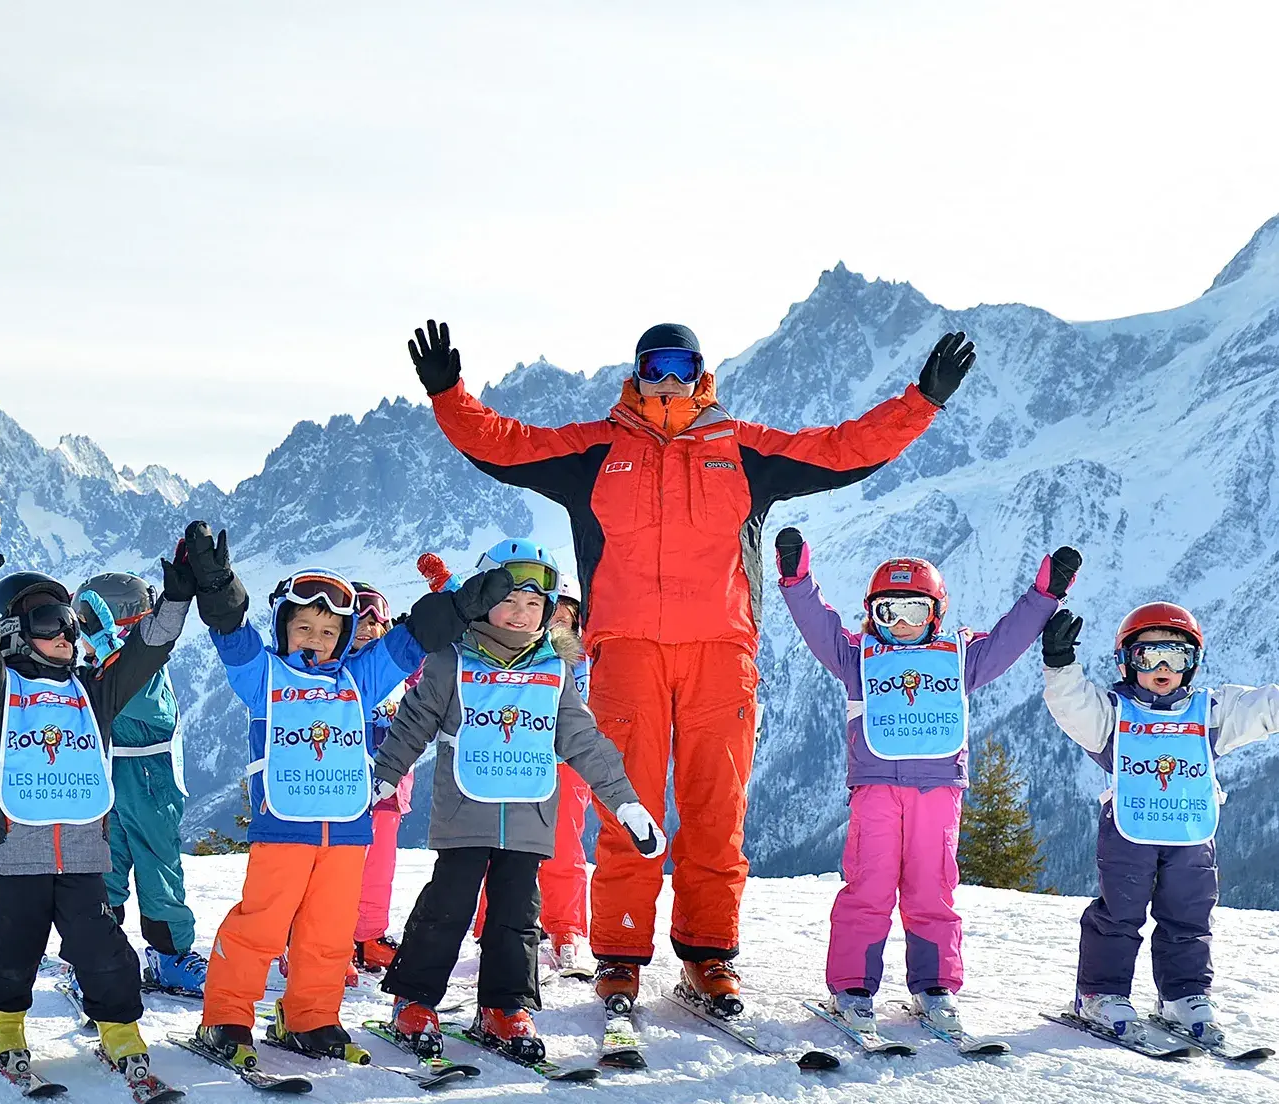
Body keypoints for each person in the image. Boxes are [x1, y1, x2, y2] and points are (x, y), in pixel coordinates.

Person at [406, 318, 975, 1015]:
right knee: (628, 807)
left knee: (715, 812)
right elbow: (506, 444)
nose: (668, 377)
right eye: (655, 365)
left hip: (720, 657)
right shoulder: (595, 450)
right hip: (628, 655)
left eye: (682, 365)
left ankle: (708, 954)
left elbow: (843, 449)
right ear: (637, 373)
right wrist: (449, 394)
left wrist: (922, 400)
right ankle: (619, 953)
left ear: (702, 373)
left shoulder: (742, 450)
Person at [188, 532, 505, 1068]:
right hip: (284, 827)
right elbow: (231, 635)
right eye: (304, 627)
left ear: (345, 637)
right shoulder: (263, 675)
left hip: (347, 830)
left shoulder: (359, 678)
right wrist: (220, 587)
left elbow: (409, 642)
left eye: (329, 631)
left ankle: (311, 1016)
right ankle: (226, 1016)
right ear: (284, 629)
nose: (316, 638)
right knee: (260, 927)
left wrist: (459, 605)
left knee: (329, 932)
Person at [775, 529, 1075, 1032]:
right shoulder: (857, 658)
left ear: (936, 613)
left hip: (938, 791)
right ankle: (852, 987)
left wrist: (1045, 595)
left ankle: (935, 986)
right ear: (872, 614)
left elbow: (1007, 640)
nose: (901, 625)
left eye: (914, 612)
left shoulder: (959, 659)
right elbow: (818, 628)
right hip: (875, 788)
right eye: (888, 613)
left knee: (932, 888)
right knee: (868, 886)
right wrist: (797, 580)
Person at [373, 541, 662, 1061]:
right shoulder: (451, 661)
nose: (521, 613)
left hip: (529, 815)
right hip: (465, 812)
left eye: (534, 605)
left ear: (550, 613)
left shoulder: (554, 671)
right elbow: (412, 721)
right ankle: (414, 1000)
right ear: (483, 600)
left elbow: (584, 741)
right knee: (448, 906)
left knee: (518, 914)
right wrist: (386, 775)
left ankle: (505, 1007)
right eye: (509, 601)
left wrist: (625, 803)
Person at [0, 522, 197, 1099]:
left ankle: (121, 1033)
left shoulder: (92, 692)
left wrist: (178, 598)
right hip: (16, 851)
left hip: (84, 854)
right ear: (15, 633)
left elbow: (144, 654)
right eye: (46, 622)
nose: (64, 632)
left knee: (102, 950)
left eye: (69, 622)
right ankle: (3, 1027)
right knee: (14, 946)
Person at [1041, 600, 1279, 1046]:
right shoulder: (1114, 715)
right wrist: (1060, 665)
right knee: (1119, 912)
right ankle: (1101, 991)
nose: (1163, 666)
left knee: (1189, 915)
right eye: (1148, 656)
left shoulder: (1211, 713)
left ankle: (1184, 994)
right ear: (1128, 662)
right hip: (1128, 832)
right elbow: (1072, 706)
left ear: (1193, 663)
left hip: (1190, 835)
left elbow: (1265, 707)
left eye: (1177, 655)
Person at [79, 571, 204, 996]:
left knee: (158, 868)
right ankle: (99, 959)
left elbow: (142, 703)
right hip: (111, 778)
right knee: (104, 868)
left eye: (88, 625)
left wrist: (108, 644)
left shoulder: (145, 666)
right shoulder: (99, 664)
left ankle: (170, 954)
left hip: (150, 782)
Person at [470, 569, 594, 968]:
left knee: (564, 848)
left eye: (564, 617)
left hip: (566, 767)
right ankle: (494, 926)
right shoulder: (517, 655)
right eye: (550, 615)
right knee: (504, 845)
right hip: (518, 763)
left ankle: (566, 930)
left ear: (576, 621)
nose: (556, 624)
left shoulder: (581, 661)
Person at [350, 580, 413, 973]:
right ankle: (326, 939)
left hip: (389, 790)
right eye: (358, 617)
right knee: (338, 870)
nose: (367, 626)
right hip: (344, 790)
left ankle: (369, 934)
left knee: (379, 868)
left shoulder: (400, 675)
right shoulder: (337, 670)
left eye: (376, 620)